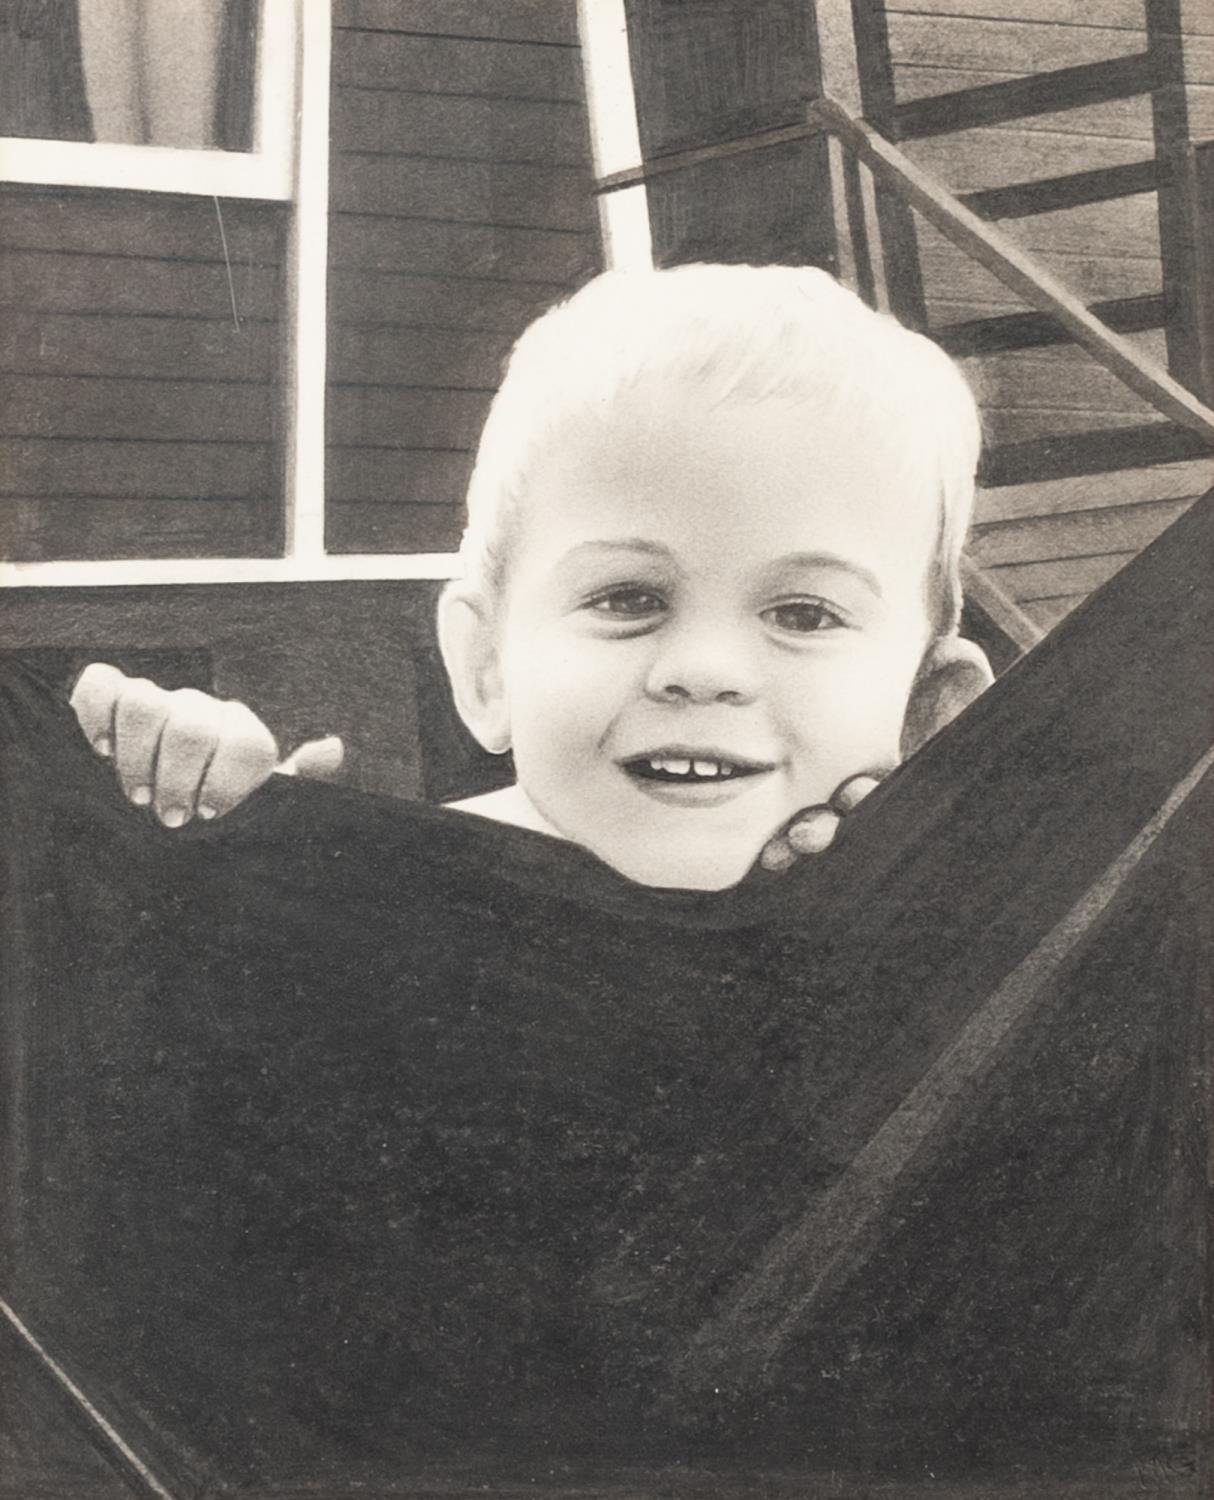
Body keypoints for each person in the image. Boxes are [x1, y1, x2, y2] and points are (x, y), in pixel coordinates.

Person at [70, 264, 994, 888]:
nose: (706, 669)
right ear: (487, 669)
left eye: (803, 613)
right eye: (628, 598)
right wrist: (222, 848)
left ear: (932, 709)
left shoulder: (967, 944)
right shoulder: (388, 898)